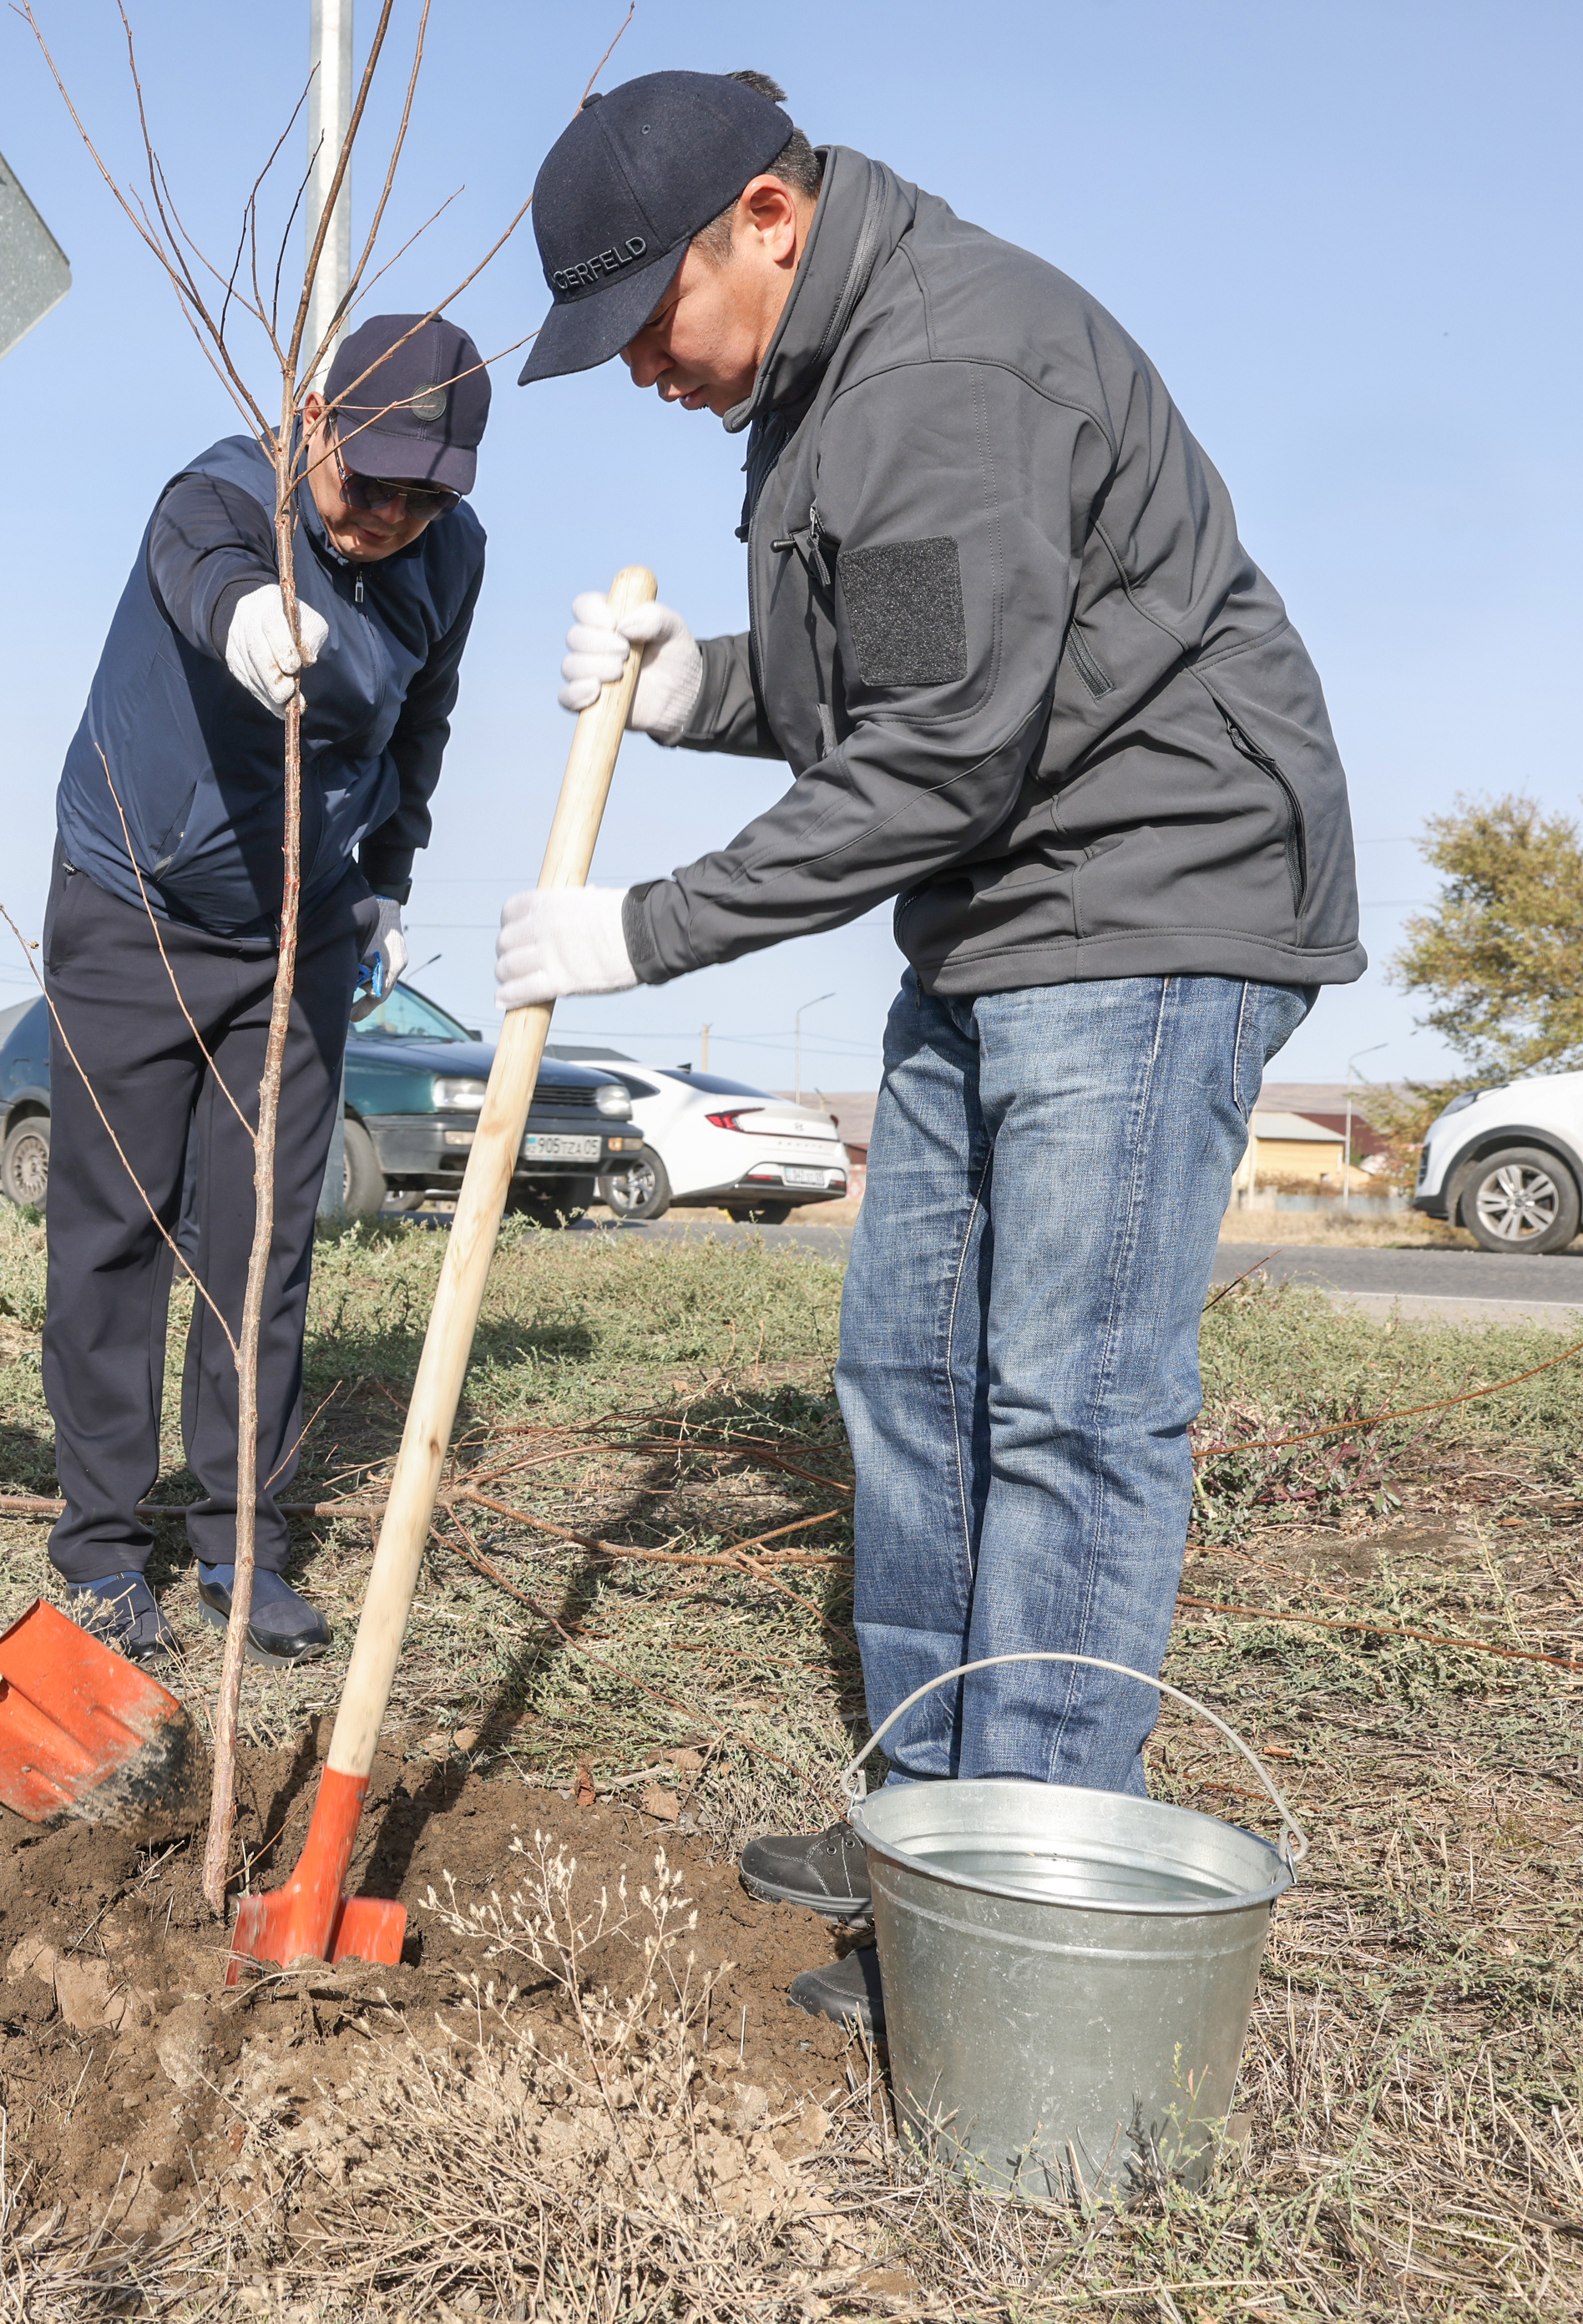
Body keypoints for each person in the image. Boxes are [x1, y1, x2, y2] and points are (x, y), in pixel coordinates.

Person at [496, 73, 1360, 2028]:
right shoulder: (832, 374)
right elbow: (890, 674)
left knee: (1067, 1400)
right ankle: (934, 1817)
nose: (639, 366)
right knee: (906, 1368)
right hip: (1004, 912)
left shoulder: (948, 368)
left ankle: (1022, 1899)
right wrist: (701, 683)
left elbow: (946, 747)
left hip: (1153, 907)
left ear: (769, 218)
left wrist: (653, 926)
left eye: (650, 318)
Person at [43, 314, 489, 1662]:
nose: (390, 519)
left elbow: (424, 718)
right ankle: (105, 1555)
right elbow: (201, 563)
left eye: (427, 496)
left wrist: (390, 874)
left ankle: (241, 1543)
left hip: (303, 929)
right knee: (116, 1233)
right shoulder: (220, 497)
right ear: (310, 424)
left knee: (262, 1242)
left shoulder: (448, 556)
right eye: (368, 484)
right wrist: (253, 611)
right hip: (135, 904)